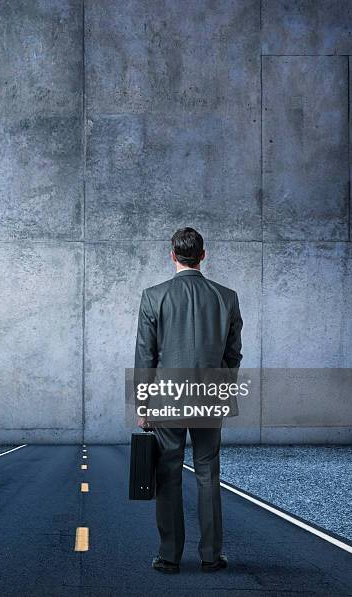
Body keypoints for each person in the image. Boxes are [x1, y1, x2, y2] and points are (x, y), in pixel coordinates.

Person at [134, 227, 243, 574]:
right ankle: (211, 556)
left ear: (172, 255)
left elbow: (145, 357)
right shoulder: (227, 297)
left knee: (168, 475)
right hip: (209, 398)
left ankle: (169, 557)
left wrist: (142, 406)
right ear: (203, 255)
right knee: (209, 474)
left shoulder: (153, 296)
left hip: (167, 400)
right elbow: (233, 354)